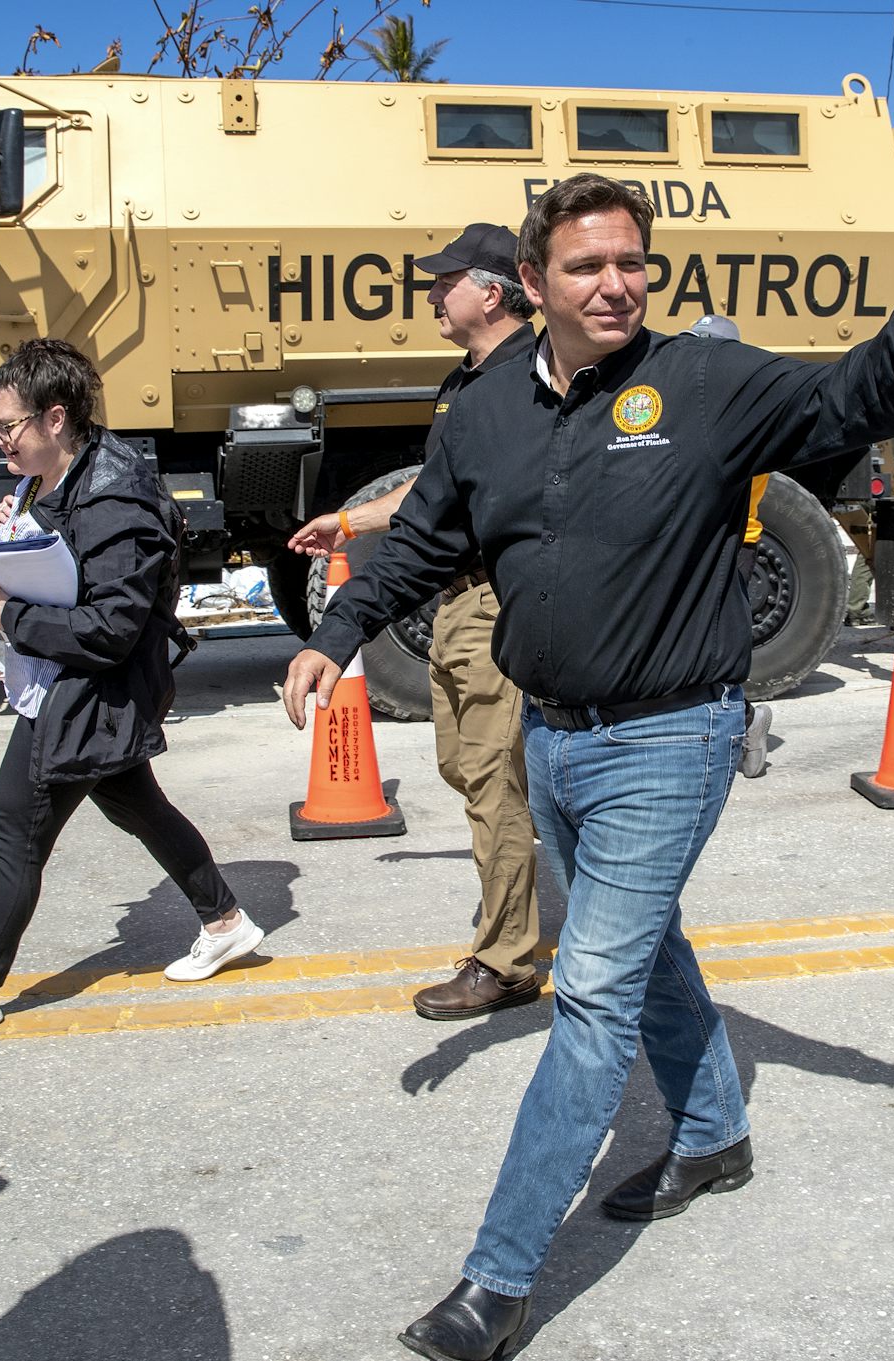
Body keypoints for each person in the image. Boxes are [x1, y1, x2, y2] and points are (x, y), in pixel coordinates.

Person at [282, 158, 894, 1359]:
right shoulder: (482, 409)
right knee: (648, 952)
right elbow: (424, 537)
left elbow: (859, 396)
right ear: (531, 281)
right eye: (585, 265)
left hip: (670, 736)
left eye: (631, 262)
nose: (615, 284)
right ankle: (713, 1133)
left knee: (590, 994)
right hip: (552, 740)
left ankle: (497, 1281)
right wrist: (334, 637)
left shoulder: (703, 379)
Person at [0, 339, 256, 1034]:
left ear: (55, 419)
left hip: (90, 691)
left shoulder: (116, 499)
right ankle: (226, 917)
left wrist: (14, 616)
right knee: (135, 802)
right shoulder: (48, 478)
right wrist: (8, 540)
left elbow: (113, 625)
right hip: (66, 682)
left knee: (14, 828)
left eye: (7, 427)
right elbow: (61, 567)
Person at [287, 224, 544, 1021]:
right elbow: (437, 490)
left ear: (493, 292)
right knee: (466, 769)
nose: (431, 292)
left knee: (495, 783)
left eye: (447, 281)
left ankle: (507, 959)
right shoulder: (464, 380)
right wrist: (350, 522)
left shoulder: (529, 379)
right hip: (454, 601)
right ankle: (536, 877)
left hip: (497, 601)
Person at [681, 314, 774, 778]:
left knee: (710, 649)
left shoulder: (741, 417)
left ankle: (746, 721)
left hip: (731, 545)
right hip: (694, 543)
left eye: (704, 349)